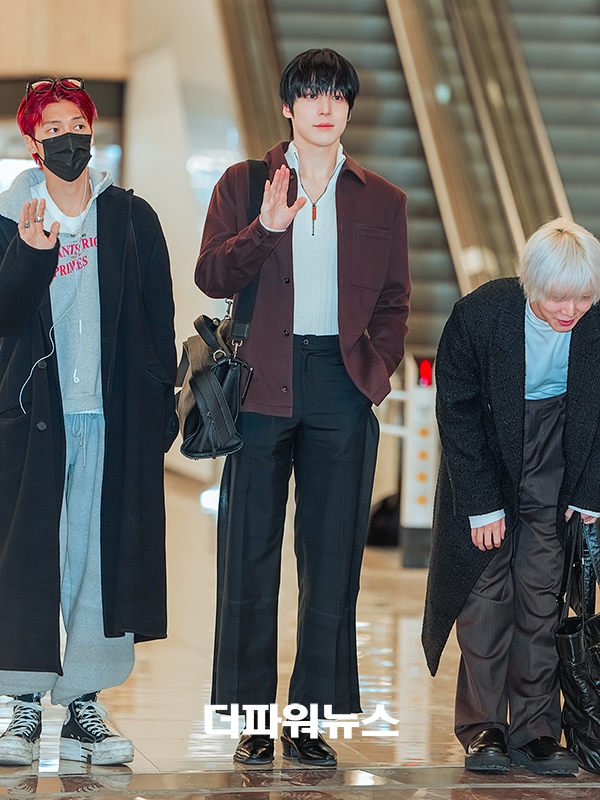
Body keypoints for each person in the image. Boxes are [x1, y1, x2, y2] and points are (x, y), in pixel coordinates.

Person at [196, 48, 410, 766]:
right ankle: (255, 720)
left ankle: (311, 718)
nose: (324, 106)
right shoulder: (245, 182)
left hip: (341, 385)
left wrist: (371, 374)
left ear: (349, 108)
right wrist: (266, 228)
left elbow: (394, 299)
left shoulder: (382, 198)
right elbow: (210, 274)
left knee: (333, 560)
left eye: (336, 95)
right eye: (310, 94)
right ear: (288, 106)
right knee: (248, 556)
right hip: (260, 382)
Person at [0, 78, 177, 766]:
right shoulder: (10, 217)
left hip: (112, 420)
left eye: (77, 123)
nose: (67, 137)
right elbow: (6, 319)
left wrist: (158, 407)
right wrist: (31, 253)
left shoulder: (131, 218)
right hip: (31, 423)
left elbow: (157, 323)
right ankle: (20, 704)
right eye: (53, 127)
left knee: (101, 563)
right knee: (27, 560)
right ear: (32, 140)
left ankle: (83, 708)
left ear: (93, 131)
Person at [422, 217, 600, 776]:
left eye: (584, 298)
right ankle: (484, 728)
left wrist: (591, 489)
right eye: (556, 298)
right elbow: (458, 412)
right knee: (485, 595)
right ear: (529, 284)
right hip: (491, 457)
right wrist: (480, 503)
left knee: (542, 591)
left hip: (557, 452)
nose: (570, 311)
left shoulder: (594, 322)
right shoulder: (480, 315)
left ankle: (539, 729)